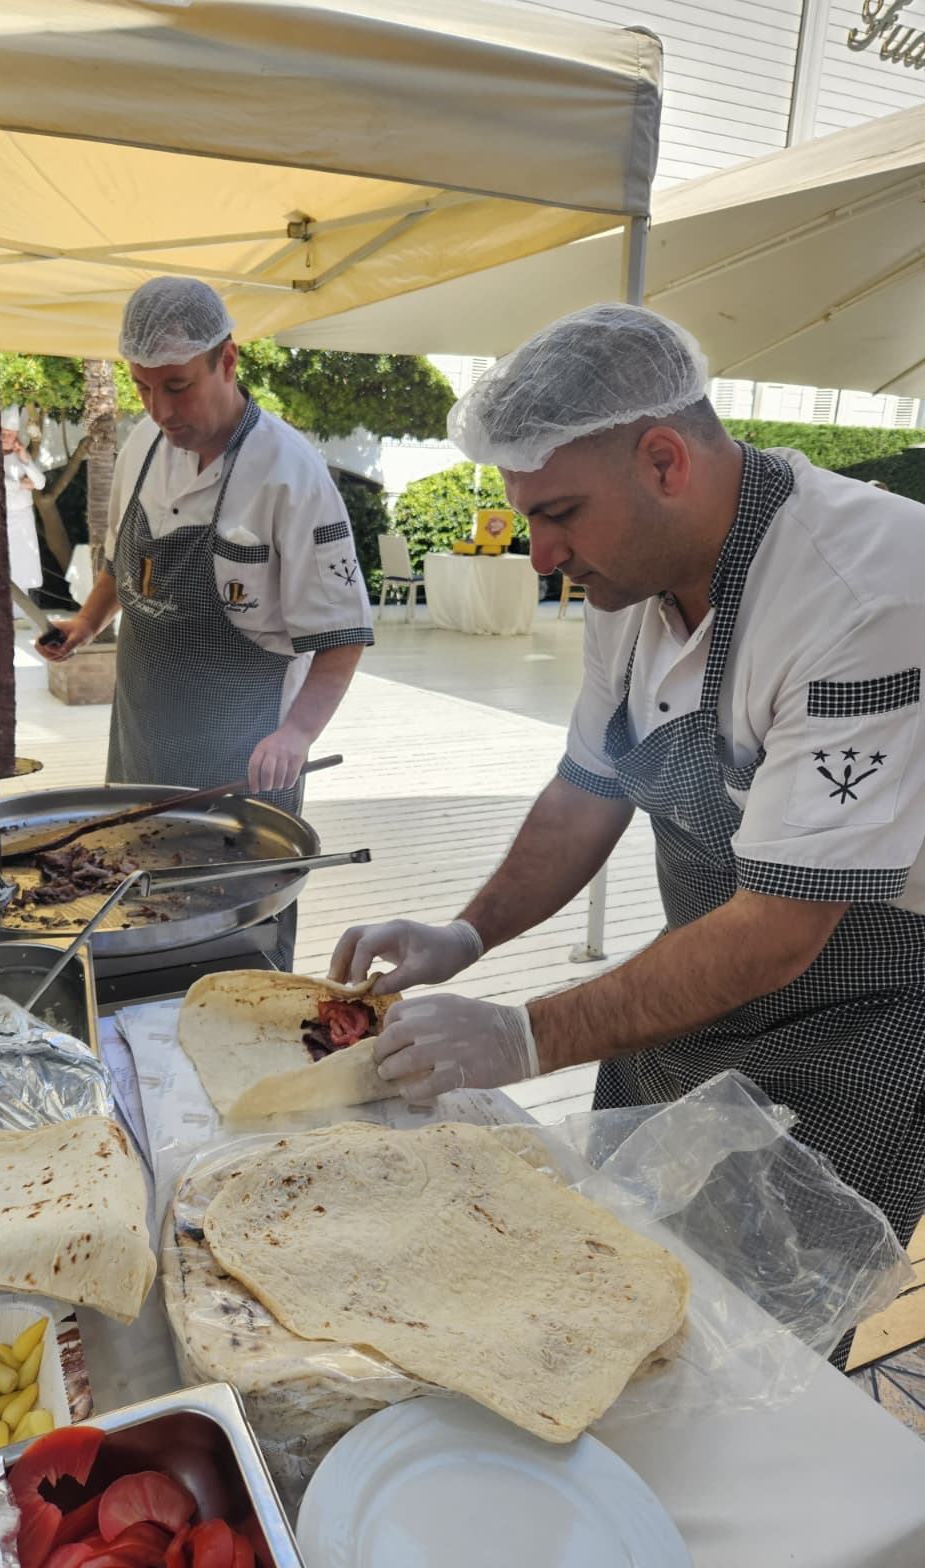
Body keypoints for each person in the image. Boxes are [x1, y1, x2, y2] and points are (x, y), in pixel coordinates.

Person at [332, 303, 925, 1274]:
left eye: (558, 515)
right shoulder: (632, 573)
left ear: (664, 461)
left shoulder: (866, 590)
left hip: (854, 1019)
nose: (543, 557)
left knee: (764, 1337)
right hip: (690, 992)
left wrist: (523, 1035)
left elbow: (781, 927)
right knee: (620, 1268)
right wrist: (468, 934)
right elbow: (587, 788)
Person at [38, 277, 373, 970]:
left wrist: (297, 733)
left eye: (177, 386)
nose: (160, 408)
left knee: (229, 938)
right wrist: (86, 623)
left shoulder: (290, 475)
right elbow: (121, 565)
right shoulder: (142, 448)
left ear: (229, 361)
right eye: (142, 388)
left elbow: (340, 636)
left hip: (241, 762)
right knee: (129, 906)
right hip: (138, 744)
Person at [1, 407, 45, 594]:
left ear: (15, 436)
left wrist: (24, 458)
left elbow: (40, 483)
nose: (5, 437)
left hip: (23, 518)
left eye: (9, 434)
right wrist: (20, 484)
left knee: (22, 564)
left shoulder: (21, 457)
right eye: (2, 433)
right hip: (2, 516)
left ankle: (21, 612)